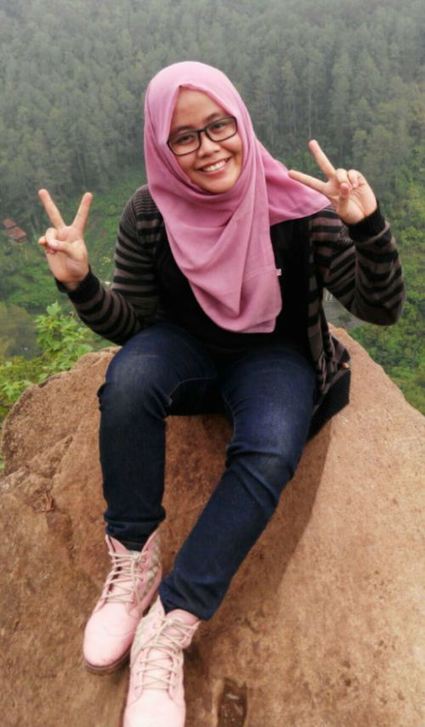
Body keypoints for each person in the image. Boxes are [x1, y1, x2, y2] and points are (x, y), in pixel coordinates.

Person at [38, 61, 404, 727]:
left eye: (218, 126)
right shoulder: (150, 213)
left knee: (270, 446)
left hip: (275, 357)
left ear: (242, 122)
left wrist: (366, 225)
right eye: (183, 136)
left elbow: (379, 307)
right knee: (129, 382)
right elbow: (134, 326)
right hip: (184, 349)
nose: (207, 147)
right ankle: (133, 562)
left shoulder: (295, 205)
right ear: (161, 146)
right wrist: (81, 285)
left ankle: (169, 621)